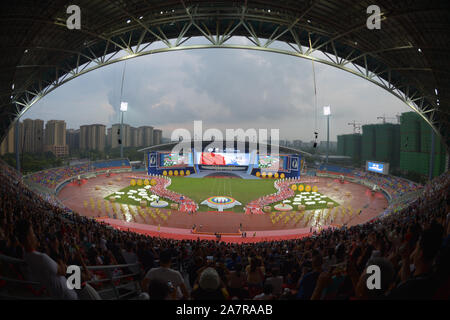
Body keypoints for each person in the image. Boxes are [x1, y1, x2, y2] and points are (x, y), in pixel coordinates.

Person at [16, 219, 78, 300]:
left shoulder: (26, 255)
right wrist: (56, 250)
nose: (35, 236)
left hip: (55, 294)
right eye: (33, 233)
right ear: (28, 238)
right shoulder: (42, 258)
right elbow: (63, 271)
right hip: (67, 296)